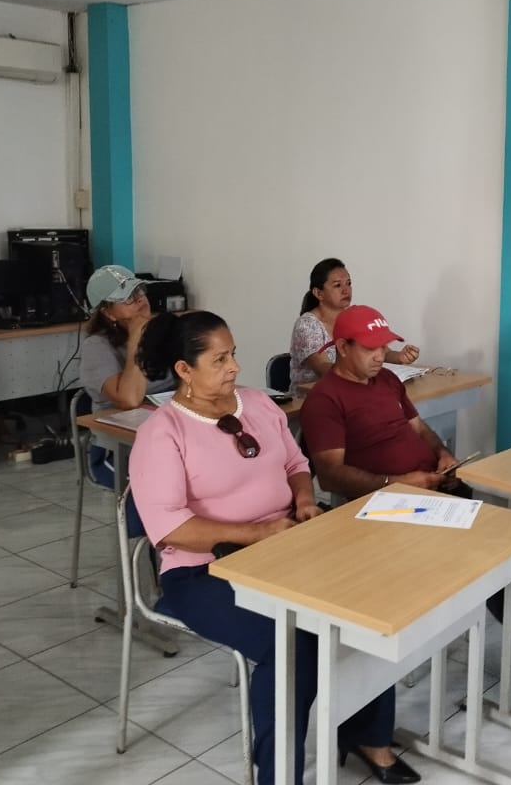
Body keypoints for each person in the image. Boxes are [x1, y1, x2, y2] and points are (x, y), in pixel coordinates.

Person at [300, 304, 511, 724]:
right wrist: (396, 483)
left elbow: (419, 430)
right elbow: (331, 474)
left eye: (384, 347)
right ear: (343, 347)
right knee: (489, 562)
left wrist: (442, 455)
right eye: (370, 349)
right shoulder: (324, 400)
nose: (381, 356)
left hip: (432, 490)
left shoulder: (386, 381)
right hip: (386, 510)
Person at [129, 310, 418, 785]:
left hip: (287, 544)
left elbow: (295, 464)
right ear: (184, 369)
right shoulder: (162, 432)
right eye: (220, 359)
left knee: (366, 606)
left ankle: (368, 736)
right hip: (205, 571)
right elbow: (170, 528)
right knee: (293, 646)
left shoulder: (258, 404)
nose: (234, 367)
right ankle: (280, 776)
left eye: (234, 354)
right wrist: (258, 534)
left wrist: (303, 501)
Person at [79, 265, 176, 487]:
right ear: (107, 312)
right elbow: (130, 399)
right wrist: (136, 341)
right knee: (162, 487)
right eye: (128, 298)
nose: (140, 299)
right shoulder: (97, 347)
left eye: (139, 291)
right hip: (117, 449)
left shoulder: (163, 332)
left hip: (165, 436)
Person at [288, 258, 419, 389]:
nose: (346, 290)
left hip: (354, 388)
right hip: (312, 395)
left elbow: (383, 352)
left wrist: (400, 357)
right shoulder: (307, 325)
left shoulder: (353, 316)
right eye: (337, 285)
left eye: (348, 283)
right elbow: (322, 368)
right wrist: (361, 372)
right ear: (318, 293)